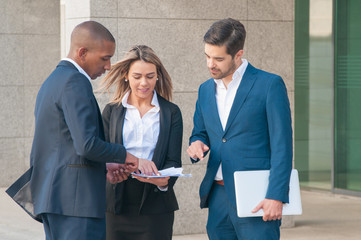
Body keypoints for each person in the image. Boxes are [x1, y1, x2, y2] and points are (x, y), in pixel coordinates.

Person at [6, 21, 138, 240]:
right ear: (83, 52)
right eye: (105, 58)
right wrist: (125, 155)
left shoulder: (53, 80)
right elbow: (87, 145)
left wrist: (104, 164)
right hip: (76, 204)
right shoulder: (75, 82)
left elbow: (63, 144)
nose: (108, 66)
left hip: (58, 199)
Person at [187, 18, 293, 240]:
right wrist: (196, 143)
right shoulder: (205, 90)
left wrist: (276, 195)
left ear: (238, 54)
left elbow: (282, 145)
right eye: (207, 56)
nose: (210, 64)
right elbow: (201, 132)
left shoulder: (269, 85)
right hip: (217, 197)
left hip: (258, 197)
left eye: (218, 59)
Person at [99, 45, 183, 240]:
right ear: (126, 76)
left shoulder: (171, 112)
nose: (144, 83)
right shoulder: (111, 111)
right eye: (137, 77)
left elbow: (173, 161)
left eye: (150, 76)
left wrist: (163, 182)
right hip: (115, 206)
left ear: (158, 76)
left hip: (156, 208)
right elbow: (101, 153)